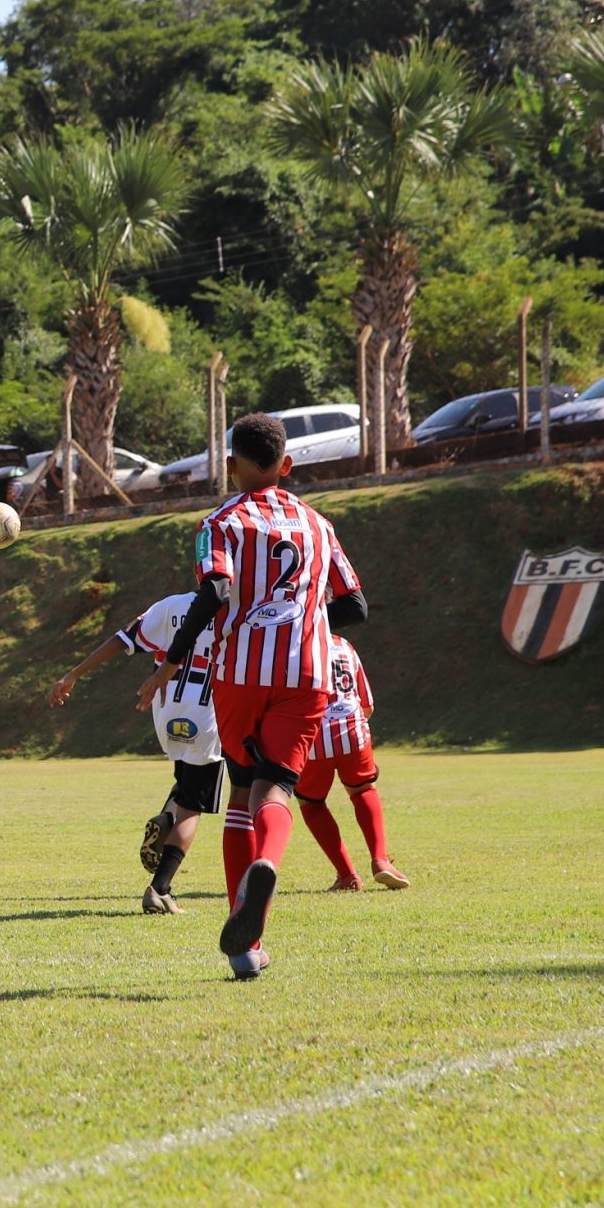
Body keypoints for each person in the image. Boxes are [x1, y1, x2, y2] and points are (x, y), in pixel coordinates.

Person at [136, 412, 368, 980]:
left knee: (240, 793)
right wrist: (303, 622)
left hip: (241, 674)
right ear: (286, 466)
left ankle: (244, 947)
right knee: (278, 789)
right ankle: (268, 866)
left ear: (232, 465)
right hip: (307, 673)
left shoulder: (219, 522)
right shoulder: (319, 525)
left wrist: (171, 661)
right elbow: (355, 607)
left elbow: (214, 590)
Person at [51, 589, 221, 914]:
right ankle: (161, 889)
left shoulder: (170, 605)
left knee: (186, 782)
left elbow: (122, 639)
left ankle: (166, 817)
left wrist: (73, 674)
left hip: (165, 705)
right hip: (207, 708)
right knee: (194, 807)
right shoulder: (235, 610)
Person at [295, 636, 409, 892]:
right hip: (353, 728)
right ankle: (381, 860)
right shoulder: (344, 645)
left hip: (313, 734)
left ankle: (347, 875)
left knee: (311, 803)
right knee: (363, 790)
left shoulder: (291, 645)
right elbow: (367, 704)